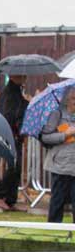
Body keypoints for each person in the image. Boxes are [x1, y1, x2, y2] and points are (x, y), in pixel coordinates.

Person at [0, 75, 29, 211]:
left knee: (16, 167)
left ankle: (10, 199)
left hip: (14, 134)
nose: (25, 78)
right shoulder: (9, 93)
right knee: (13, 166)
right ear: (14, 76)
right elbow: (8, 113)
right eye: (22, 76)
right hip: (10, 133)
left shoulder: (15, 91)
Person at [40, 87, 75, 223]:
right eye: (73, 98)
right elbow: (46, 137)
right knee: (57, 202)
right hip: (59, 166)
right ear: (67, 100)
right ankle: (53, 230)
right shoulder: (57, 114)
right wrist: (65, 134)